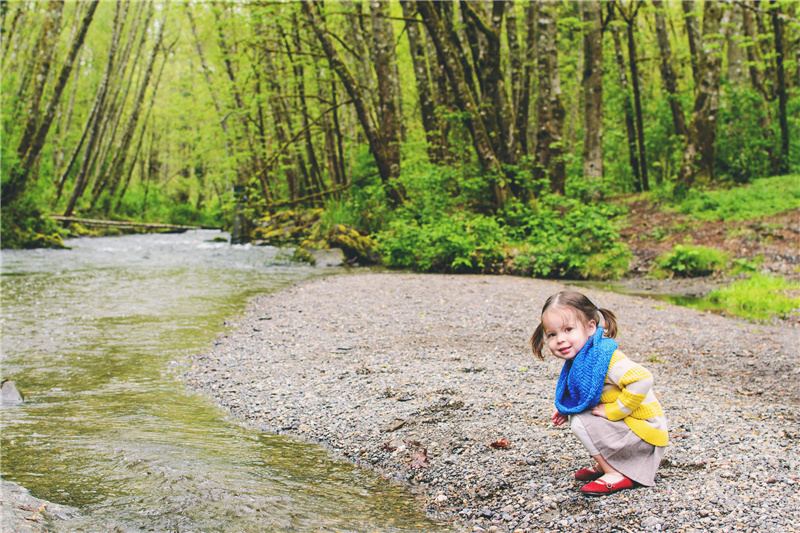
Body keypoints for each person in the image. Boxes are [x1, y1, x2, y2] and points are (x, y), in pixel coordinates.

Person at [530, 290, 668, 496]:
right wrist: (567, 409)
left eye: (568, 329)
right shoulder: (585, 357)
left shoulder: (607, 358)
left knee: (580, 421)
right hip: (634, 428)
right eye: (552, 334)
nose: (560, 339)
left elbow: (643, 378)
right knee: (577, 416)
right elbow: (591, 392)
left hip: (646, 432)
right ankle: (608, 465)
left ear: (590, 327)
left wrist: (615, 410)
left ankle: (616, 473)